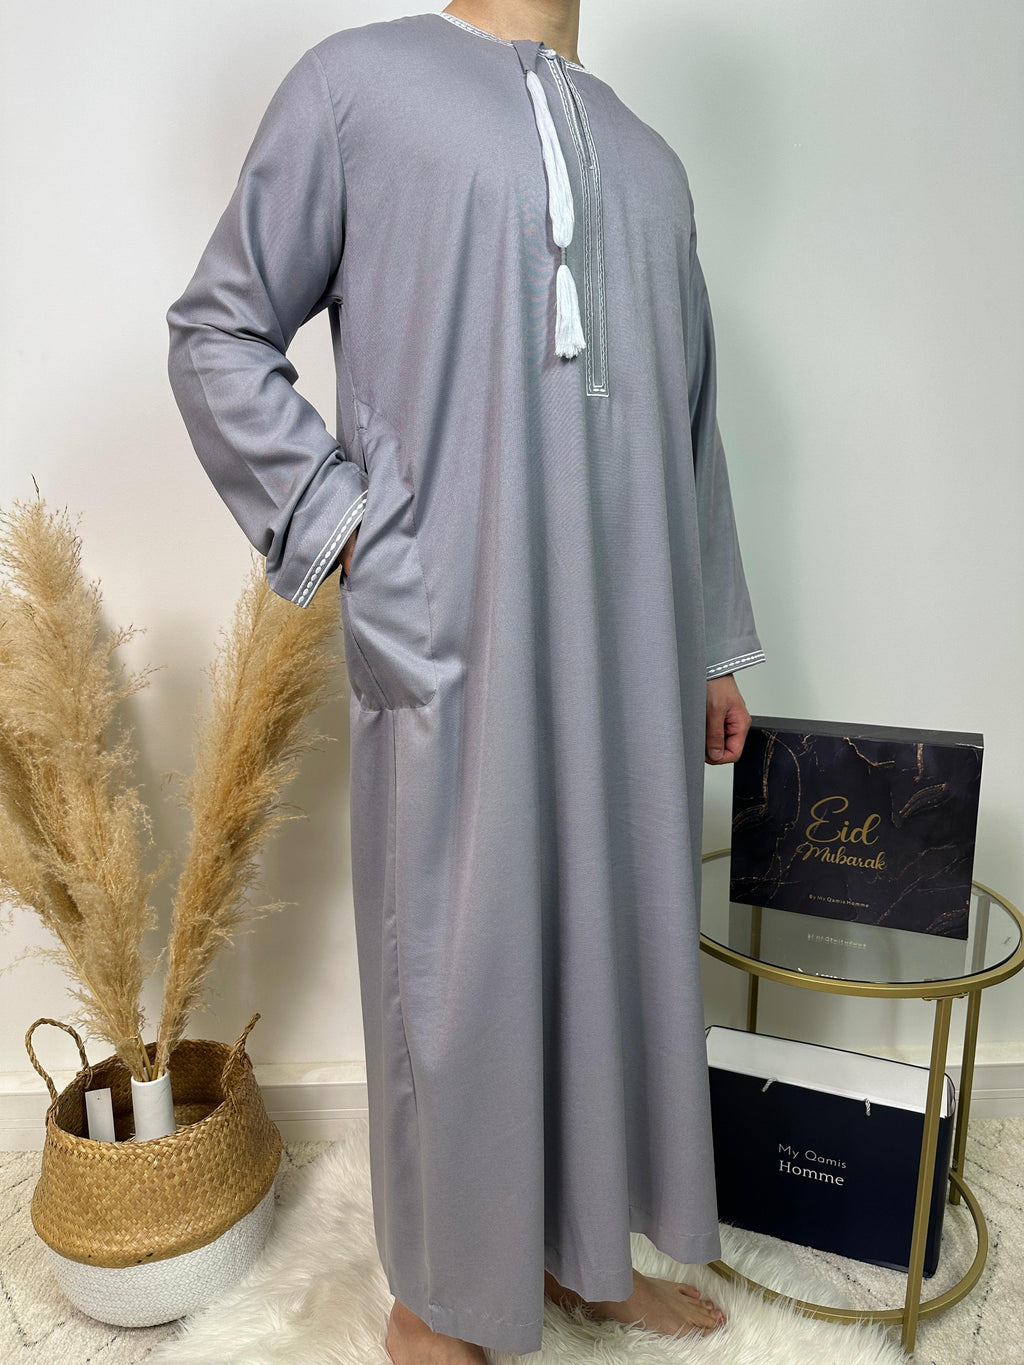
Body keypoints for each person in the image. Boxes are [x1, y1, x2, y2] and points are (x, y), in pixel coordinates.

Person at [165, 2, 765, 1360]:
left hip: (636, 634)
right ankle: (439, 1301)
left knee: (618, 935)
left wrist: (711, 645)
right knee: (463, 950)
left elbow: (693, 430)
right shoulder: (357, 87)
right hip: (458, 625)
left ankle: (585, 1253)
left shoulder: (651, 162)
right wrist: (352, 532)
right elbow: (216, 330)